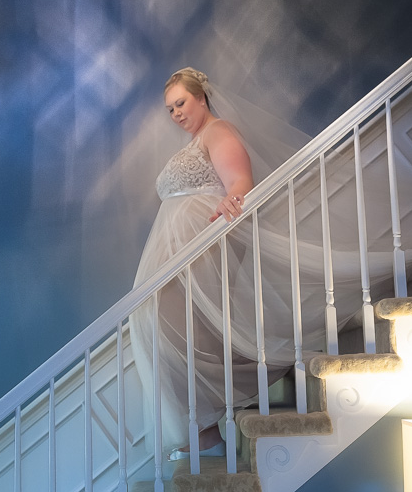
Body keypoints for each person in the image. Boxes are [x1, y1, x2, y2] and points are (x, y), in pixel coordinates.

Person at [129, 67, 310, 460]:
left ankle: (208, 433)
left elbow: (240, 182)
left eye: (181, 103)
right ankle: (204, 433)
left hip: (202, 251)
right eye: (170, 109)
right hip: (180, 257)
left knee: (175, 331)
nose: (176, 113)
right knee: (164, 330)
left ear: (202, 98)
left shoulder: (219, 130)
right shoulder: (195, 141)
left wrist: (236, 196)